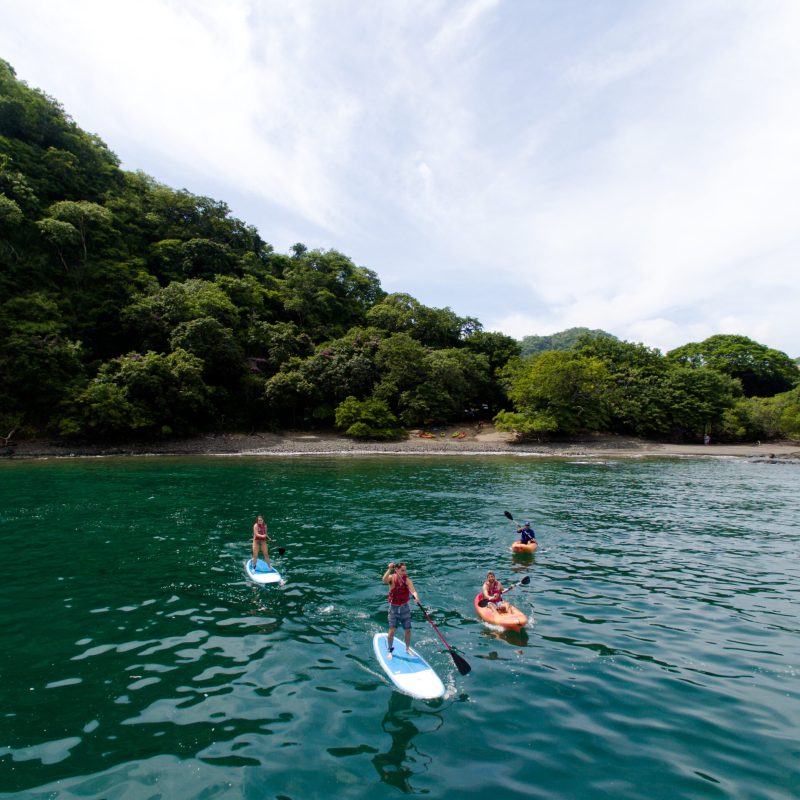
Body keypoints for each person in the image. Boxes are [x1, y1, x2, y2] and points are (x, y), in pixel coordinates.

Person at [382, 561, 421, 657]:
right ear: (396, 570)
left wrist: (416, 597)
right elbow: (384, 580)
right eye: (402, 570)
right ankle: (390, 650)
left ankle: (407, 649)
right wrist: (389, 569)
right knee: (392, 630)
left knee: (408, 630)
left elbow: (413, 590)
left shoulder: (407, 580)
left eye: (405, 570)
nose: (404, 572)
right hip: (394, 608)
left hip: (404, 607)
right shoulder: (391, 578)